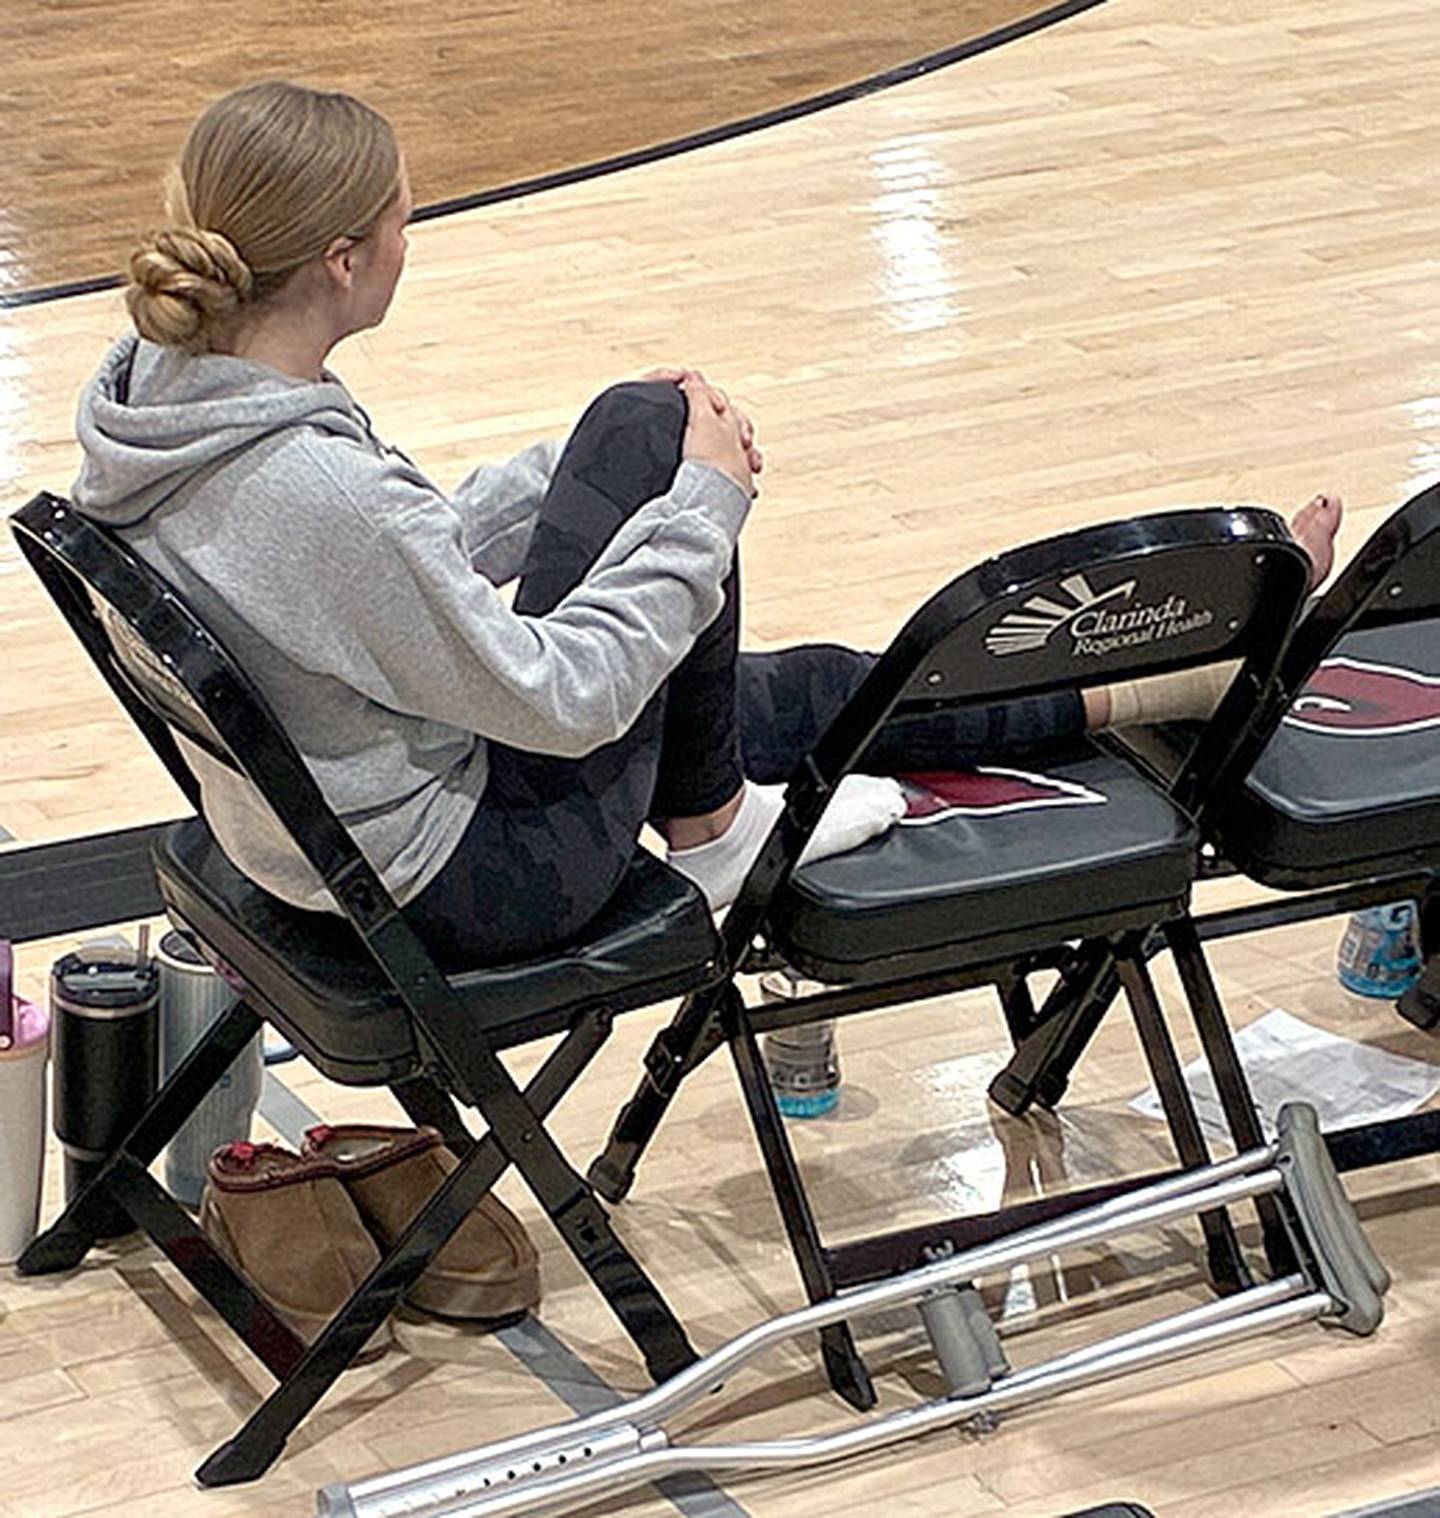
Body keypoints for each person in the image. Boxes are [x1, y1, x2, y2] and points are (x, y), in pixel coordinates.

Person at [73, 79, 1344, 970]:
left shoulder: (166, 394)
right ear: (345, 259)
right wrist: (702, 511)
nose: (421, 235)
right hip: (470, 878)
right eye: (409, 214)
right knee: (670, 475)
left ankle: (1172, 687)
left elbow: (382, 581)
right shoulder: (315, 493)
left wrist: (580, 475)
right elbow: (560, 698)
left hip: (338, 819)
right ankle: (715, 833)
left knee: (803, 669)